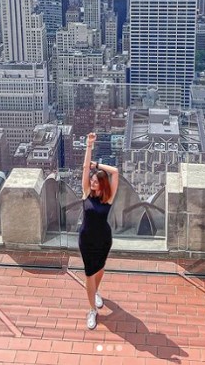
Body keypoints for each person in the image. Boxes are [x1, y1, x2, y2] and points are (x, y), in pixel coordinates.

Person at [79, 132, 119, 330]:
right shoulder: (86, 193)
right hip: (86, 240)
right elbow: (85, 168)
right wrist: (89, 147)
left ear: (102, 184)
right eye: (92, 180)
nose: (92, 183)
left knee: (100, 269)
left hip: (103, 239)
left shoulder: (108, 198)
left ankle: (95, 292)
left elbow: (116, 172)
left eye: (96, 181)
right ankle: (92, 310)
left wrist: (98, 167)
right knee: (88, 274)